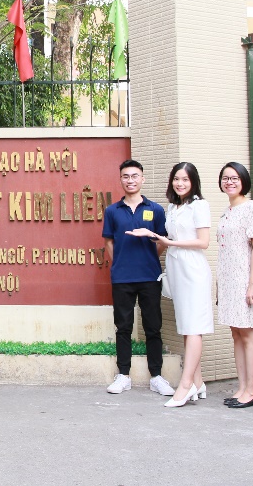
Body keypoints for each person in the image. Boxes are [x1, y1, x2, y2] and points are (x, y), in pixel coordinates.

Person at [134, 162, 213, 408]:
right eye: (176, 179)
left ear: (194, 182)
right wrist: (153, 236)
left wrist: (169, 243)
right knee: (187, 327)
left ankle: (186, 385)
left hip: (193, 269)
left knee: (194, 327)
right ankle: (198, 382)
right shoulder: (173, 207)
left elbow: (203, 242)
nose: (180, 183)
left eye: (185, 179)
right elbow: (169, 237)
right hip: (176, 268)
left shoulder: (199, 205)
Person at [101, 159, 174, 397]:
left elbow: (162, 241)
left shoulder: (156, 210)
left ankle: (157, 376)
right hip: (122, 278)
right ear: (120, 179)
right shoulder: (112, 211)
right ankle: (123, 375)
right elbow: (109, 242)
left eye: (134, 176)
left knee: (153, 326)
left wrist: (149, 258)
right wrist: (120, 263)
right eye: (126, 176)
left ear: (142, 179)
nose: (130, 180)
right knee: (123, 327)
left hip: (149, 276)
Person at [215, 162, 253, 409]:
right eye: (226, 178)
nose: (230, 182)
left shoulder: (251, 208)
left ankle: (252, 390)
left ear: (244, 181)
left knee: (248, 334)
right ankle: (242, 387)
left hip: (244, 280)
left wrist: (252, 284)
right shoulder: (227, 211)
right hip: (228, 281)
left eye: (235, 178)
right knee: (236, 333)